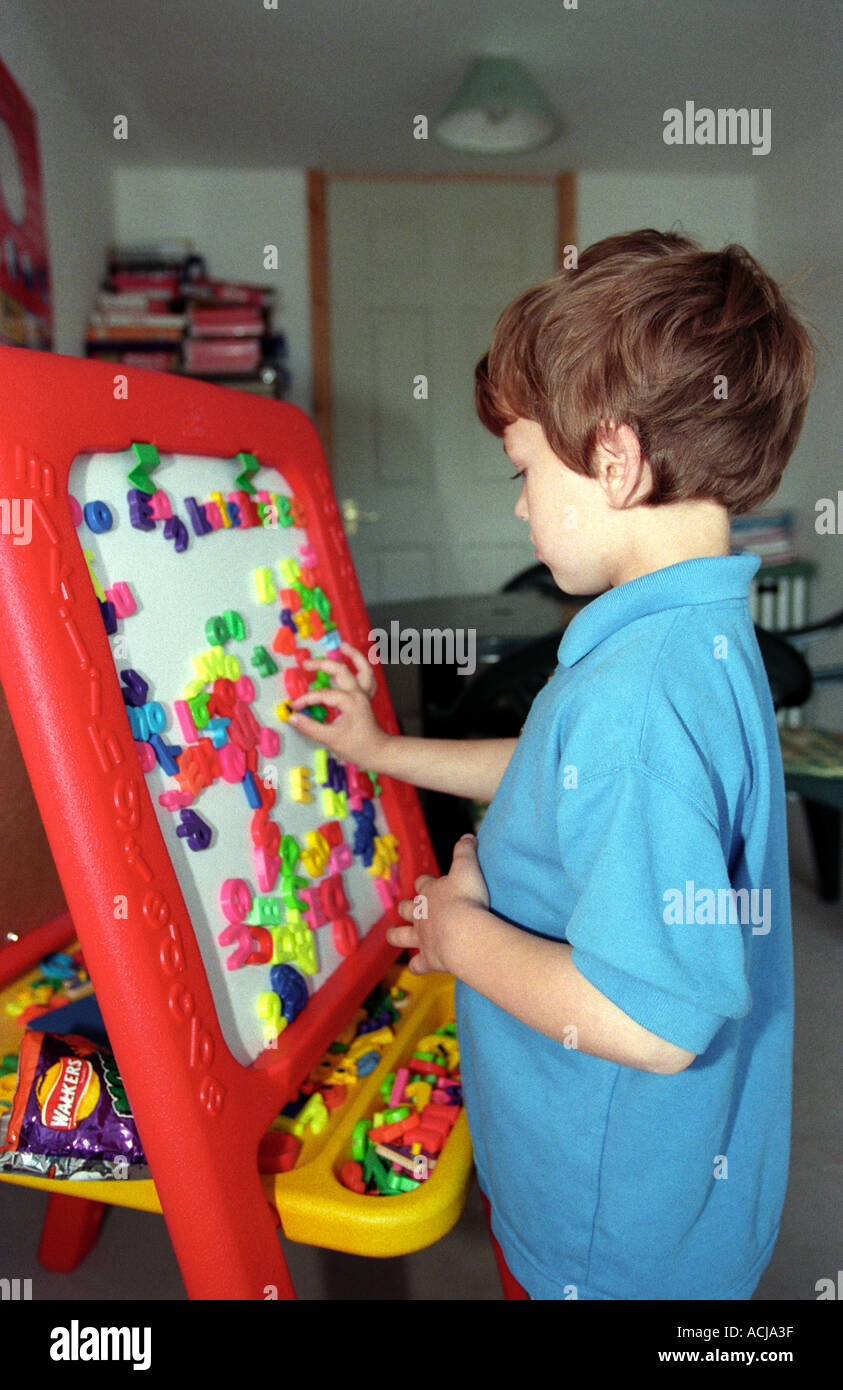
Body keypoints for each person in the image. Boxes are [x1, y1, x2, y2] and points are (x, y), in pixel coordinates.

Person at [289, 229, 815, 1300]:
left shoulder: (640, 695)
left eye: (525, 466)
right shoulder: (694, 636)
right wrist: (383, 749)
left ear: (614, 461)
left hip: (606, 1227)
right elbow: (553, 768)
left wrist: (460, 933)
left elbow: (655, 1024)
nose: (522, 503)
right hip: (673, 1192)